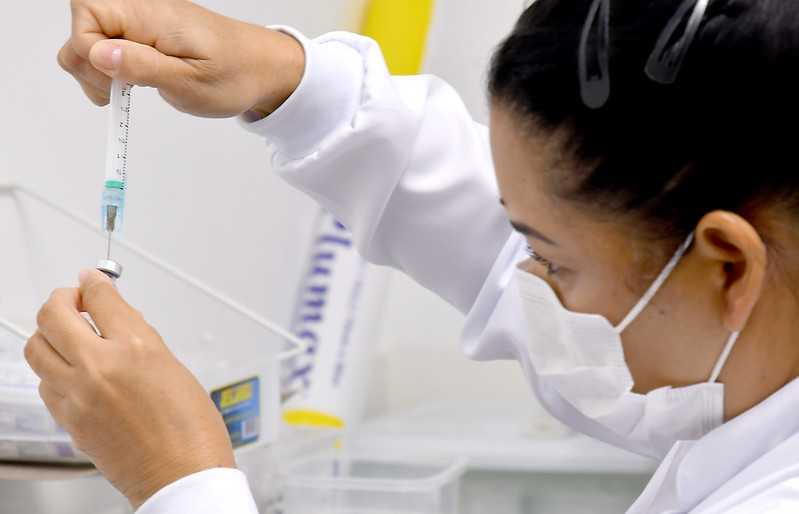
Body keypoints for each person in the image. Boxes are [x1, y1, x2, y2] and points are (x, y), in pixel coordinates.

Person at [23, 0, 799, 511]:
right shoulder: (754, 351)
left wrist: (181, 478)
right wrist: (291, 81)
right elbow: (593, 241)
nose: (522, 279)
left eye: (551, 261)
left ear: (727, 264)